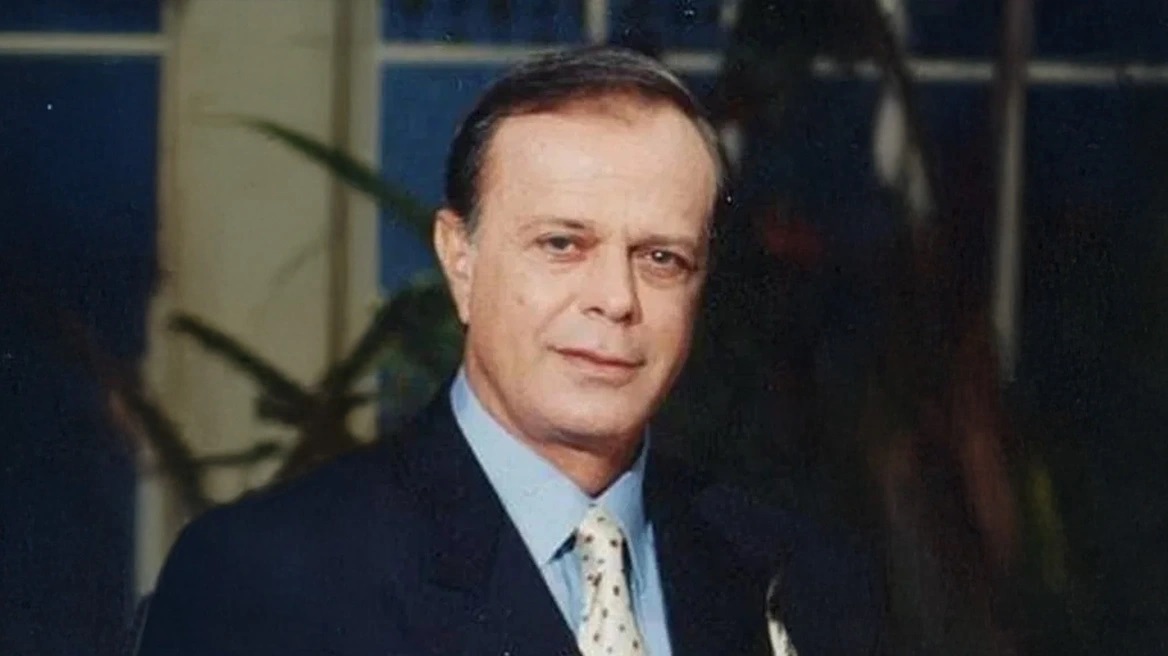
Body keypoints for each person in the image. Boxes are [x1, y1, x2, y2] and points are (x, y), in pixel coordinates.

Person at [133, 45, 884, 656]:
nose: (615, 298)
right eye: (562, 244)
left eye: (661, 258)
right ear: (459, 259)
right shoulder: (268, 582)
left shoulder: (800, 577)